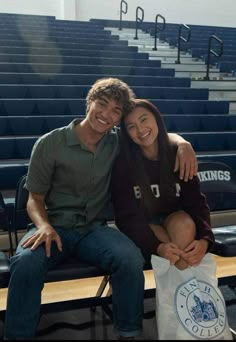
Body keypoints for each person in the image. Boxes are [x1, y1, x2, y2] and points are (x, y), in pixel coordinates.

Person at [4, 78, 198, 340]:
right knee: (25, 264)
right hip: (52, 227)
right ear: (89, 102)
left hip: (94, 229)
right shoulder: (50, 143)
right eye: (102, 104)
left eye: (116, 111)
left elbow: (149, 136)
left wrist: (183, 143)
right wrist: (44, 225)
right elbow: (34, 199)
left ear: (119, 118)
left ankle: (129, 332)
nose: (107, 114)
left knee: (129, 258)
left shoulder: (117, 143)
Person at [111, 98, 215, 270]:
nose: (140, 129)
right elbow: (127, 218)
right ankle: (186, 293)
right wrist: (158, 247)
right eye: (131, 126)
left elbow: (196, 203)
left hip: (174, 220)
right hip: (143, 226)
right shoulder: (123, 164)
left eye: (144, 119)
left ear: (156, 118)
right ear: (126, 133)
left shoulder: (179, 155)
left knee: (184, 224)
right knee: (177, 253)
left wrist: (205, 240)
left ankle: (176, 293)